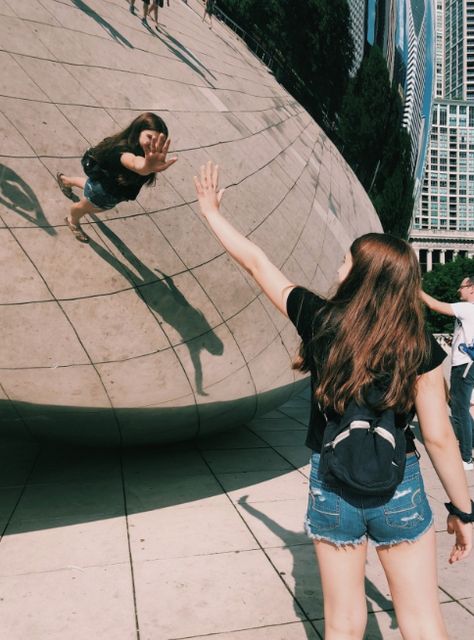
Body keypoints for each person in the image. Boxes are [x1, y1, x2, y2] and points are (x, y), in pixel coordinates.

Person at [193, 161, 473, 640]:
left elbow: (258, 263)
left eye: (346, 261)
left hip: (332, 480)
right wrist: (463, 511)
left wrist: (211, 212)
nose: (338, 267)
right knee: (423, 621)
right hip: (399, 484)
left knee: (343, 623)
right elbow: (439, 438)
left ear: (363, 275)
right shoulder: (418, 343)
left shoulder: (320, 320)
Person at [57, 112, 177, 243]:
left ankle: (65, 181)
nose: (154, 144)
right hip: (102, 191)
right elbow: (134, 163)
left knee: (89, 189)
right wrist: (146, 168)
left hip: (108, 188)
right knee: (84, 207)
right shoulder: (123, 151)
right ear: (138, 132)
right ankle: (72, 221)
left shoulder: (146, 152)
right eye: (150, 137)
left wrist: (149, 165)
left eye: (159, 141)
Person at [422, 278, 474, 471]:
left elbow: (434, 305)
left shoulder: (468, 308)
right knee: (464, 407)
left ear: (471, 288)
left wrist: (415, 289)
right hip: (468, 364)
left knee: (459, 411)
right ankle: (470, 445)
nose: (458, 290)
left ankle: (466, 458)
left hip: (464, 365)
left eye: (461, 286)